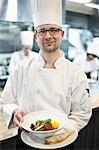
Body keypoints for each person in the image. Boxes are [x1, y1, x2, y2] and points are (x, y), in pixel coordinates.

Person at [0, 0, 91, 145]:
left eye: (53, 30)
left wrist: (60, 135)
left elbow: (82, 113)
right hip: (26, 140)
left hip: (63, 141)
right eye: (42, 31)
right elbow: (6, 101)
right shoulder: (21, 69)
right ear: (36, 37)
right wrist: (15, 110)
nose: (48, 36)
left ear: (62, 34)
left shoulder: (75, 73)